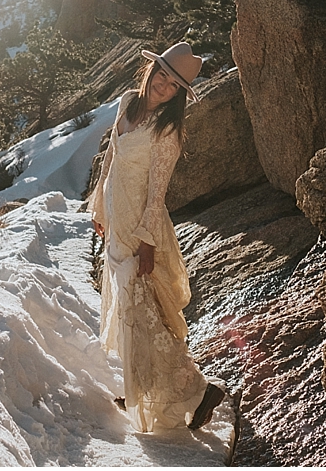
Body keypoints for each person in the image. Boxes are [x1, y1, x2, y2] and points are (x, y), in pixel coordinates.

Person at [88, 41, 225, 433]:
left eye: (172, 84)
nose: (162, 86)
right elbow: (111, 158)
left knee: (144, 315)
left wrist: (147, 241)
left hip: (140, 229)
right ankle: (139, 389)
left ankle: (200, 392)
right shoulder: (128, 102)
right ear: (151, 71)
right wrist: (100, 206)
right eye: (161, 75)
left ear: (179, 94)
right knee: (131, 314)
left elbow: (157, 190)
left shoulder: (168, 129)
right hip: (117, 220)